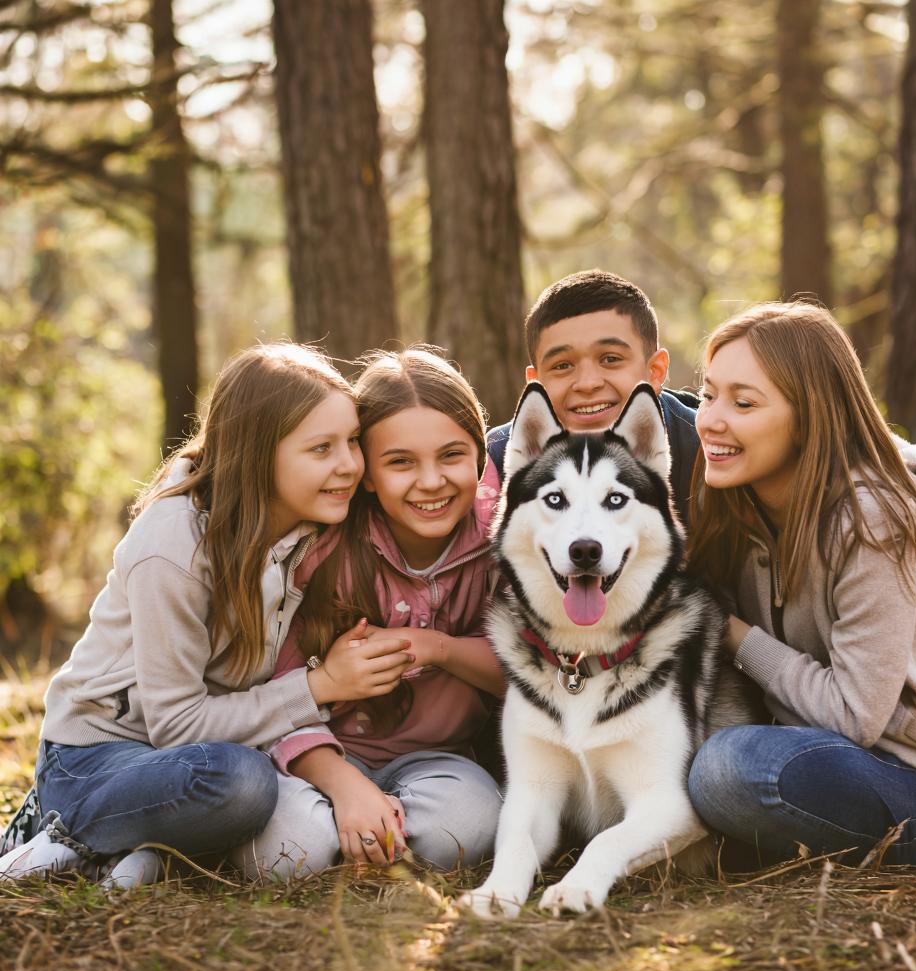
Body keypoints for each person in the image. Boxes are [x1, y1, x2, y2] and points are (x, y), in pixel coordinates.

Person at [0, 343, 370, 887]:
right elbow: (176, 725)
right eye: (322, 449)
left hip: (192, 755)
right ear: (257, 454)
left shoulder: (306, 529)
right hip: (96, 758)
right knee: (240, 783)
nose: (350, 465)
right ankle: (57, 827)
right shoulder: (174, 544)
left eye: (353, 441)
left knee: (247, 789)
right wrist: (318, 687)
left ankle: (138, 851)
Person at [685, 301, 916, 866]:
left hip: (911, 786)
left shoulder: (874, 523)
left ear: (810, 415)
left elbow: (855, 716)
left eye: (743, 402)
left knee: (729, 767)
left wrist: (733, 636)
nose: (711, 420)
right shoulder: (734, 502)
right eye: (708, 394)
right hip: (804, 748)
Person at [231, 347, 505, 879]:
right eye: (401, 462)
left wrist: (438, 648)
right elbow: (278, 688)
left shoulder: (503, 542)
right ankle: (348, 825)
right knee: (290, 854)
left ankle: (373, 834)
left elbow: (525, 668)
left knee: (469, 829)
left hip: (435, 759)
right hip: (315, 758)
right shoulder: (322, 549)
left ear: (480, 455)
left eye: (452, 456)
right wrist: (344, 784)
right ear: (368, 474)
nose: (431, 482)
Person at [484, 269, 701, 519]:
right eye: (562, 365)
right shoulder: (500, 458)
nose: (587, 384)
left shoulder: (703, 452)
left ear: (655, 371)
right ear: (535, 385)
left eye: (610, 359)